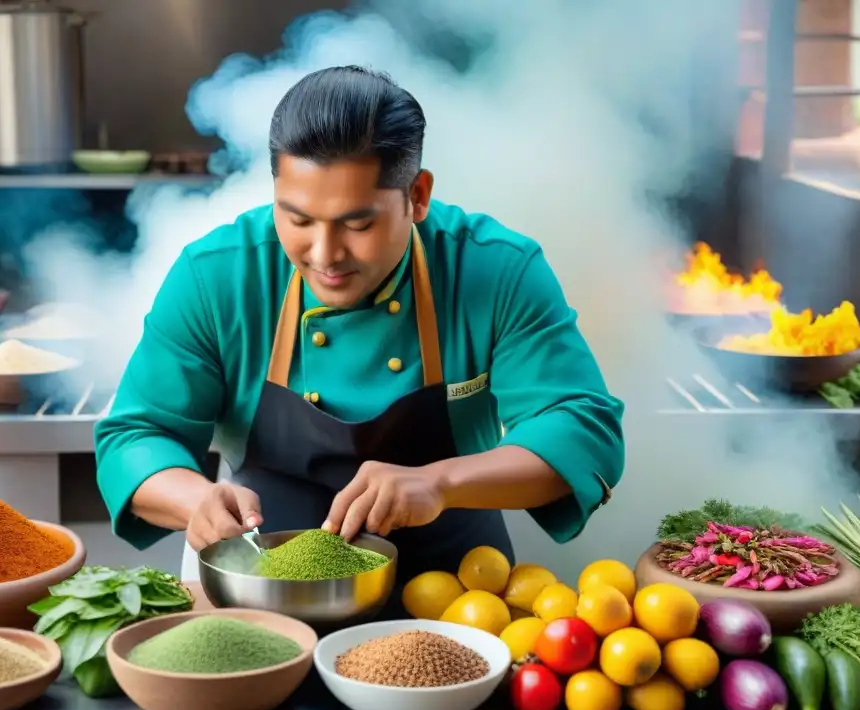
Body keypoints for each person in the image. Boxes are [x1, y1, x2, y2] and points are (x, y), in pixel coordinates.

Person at [94, 65, 626, 614]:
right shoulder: (217, 275)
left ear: (416, 197)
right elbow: (135, 434)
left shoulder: (495, 269)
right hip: (260, 588)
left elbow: (582, 429)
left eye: (358, 224)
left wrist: (441, 482)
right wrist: (197, 499)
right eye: (297, 219)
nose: (324, 255)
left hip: (460, 595)